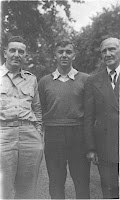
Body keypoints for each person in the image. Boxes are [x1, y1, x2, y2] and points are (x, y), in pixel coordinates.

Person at [38, 39, 90, 199]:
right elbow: (41, 109)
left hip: (78, 135)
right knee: (56, 181)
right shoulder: (44, 81)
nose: (64, 55)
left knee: (82, 182)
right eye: (60, 52)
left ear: (74, 55)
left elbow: (90, 111)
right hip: (54, 135)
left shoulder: (86, 79)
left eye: (68, 52)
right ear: (55, 55)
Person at [0, 36, 43, 199]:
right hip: (3, 133)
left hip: (29, 135)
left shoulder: (31, 79)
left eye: (21, 52)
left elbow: (37, 108)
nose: (17, 54)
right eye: (13, 50)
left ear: (25, 56)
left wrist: (38, 133)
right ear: (5, 53)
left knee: (27, 189)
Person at [84, 37, 120, 199]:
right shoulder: (93, 81)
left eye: (112, 49)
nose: (108, 53)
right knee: (110, 191)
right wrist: (91, 148)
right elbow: (88, 117)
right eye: (104, 51)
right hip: (105, 146)